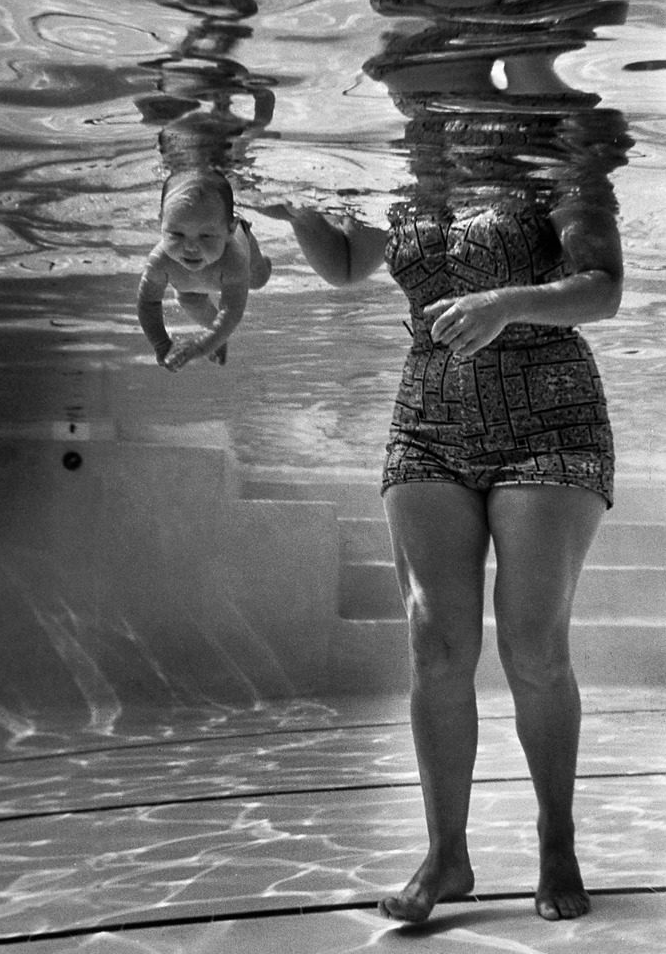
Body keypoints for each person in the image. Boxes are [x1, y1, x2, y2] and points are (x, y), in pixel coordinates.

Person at [267, 186, 623, 925]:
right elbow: (344, 263)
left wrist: (502, 302)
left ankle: (556, 841)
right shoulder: (399, 175)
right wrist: (297, 205)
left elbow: (601, 288)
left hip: (550, 422)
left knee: (532, 648)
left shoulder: (551, 158)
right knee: (434, 644)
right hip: (426, 420)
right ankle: (445, 857)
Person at [137, 170, 271, 371]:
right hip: (189, 288)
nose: (190, 247)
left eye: (206, 236)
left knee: (257, 280)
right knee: (189, 300)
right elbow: (148, 303)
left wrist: (200, 347)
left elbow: (231, 311)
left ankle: (264, 264)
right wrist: (161, 344)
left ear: (229, 230)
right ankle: (217, 338)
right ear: (160, 224)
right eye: (176, 234)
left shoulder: (234, 259)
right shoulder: (160, 261)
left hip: (244, 246)